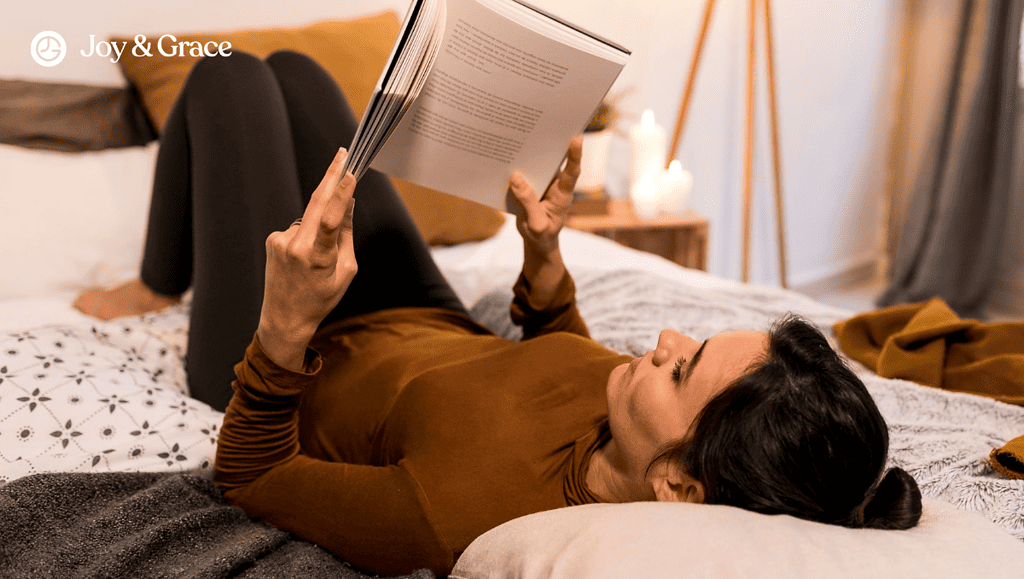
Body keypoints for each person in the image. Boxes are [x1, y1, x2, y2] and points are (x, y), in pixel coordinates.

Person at [75, 51, 922, 577]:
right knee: (298, 72)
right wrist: (544, 255)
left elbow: (251, 477)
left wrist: (286, 322)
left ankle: (157, 282)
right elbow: (561, 353)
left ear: (679, 486)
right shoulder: (632, 421)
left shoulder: (458, 516)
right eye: (690, 341)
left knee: (228, 75)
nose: (664, 340)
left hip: (297, 349)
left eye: (680, 367)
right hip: (423, 311)